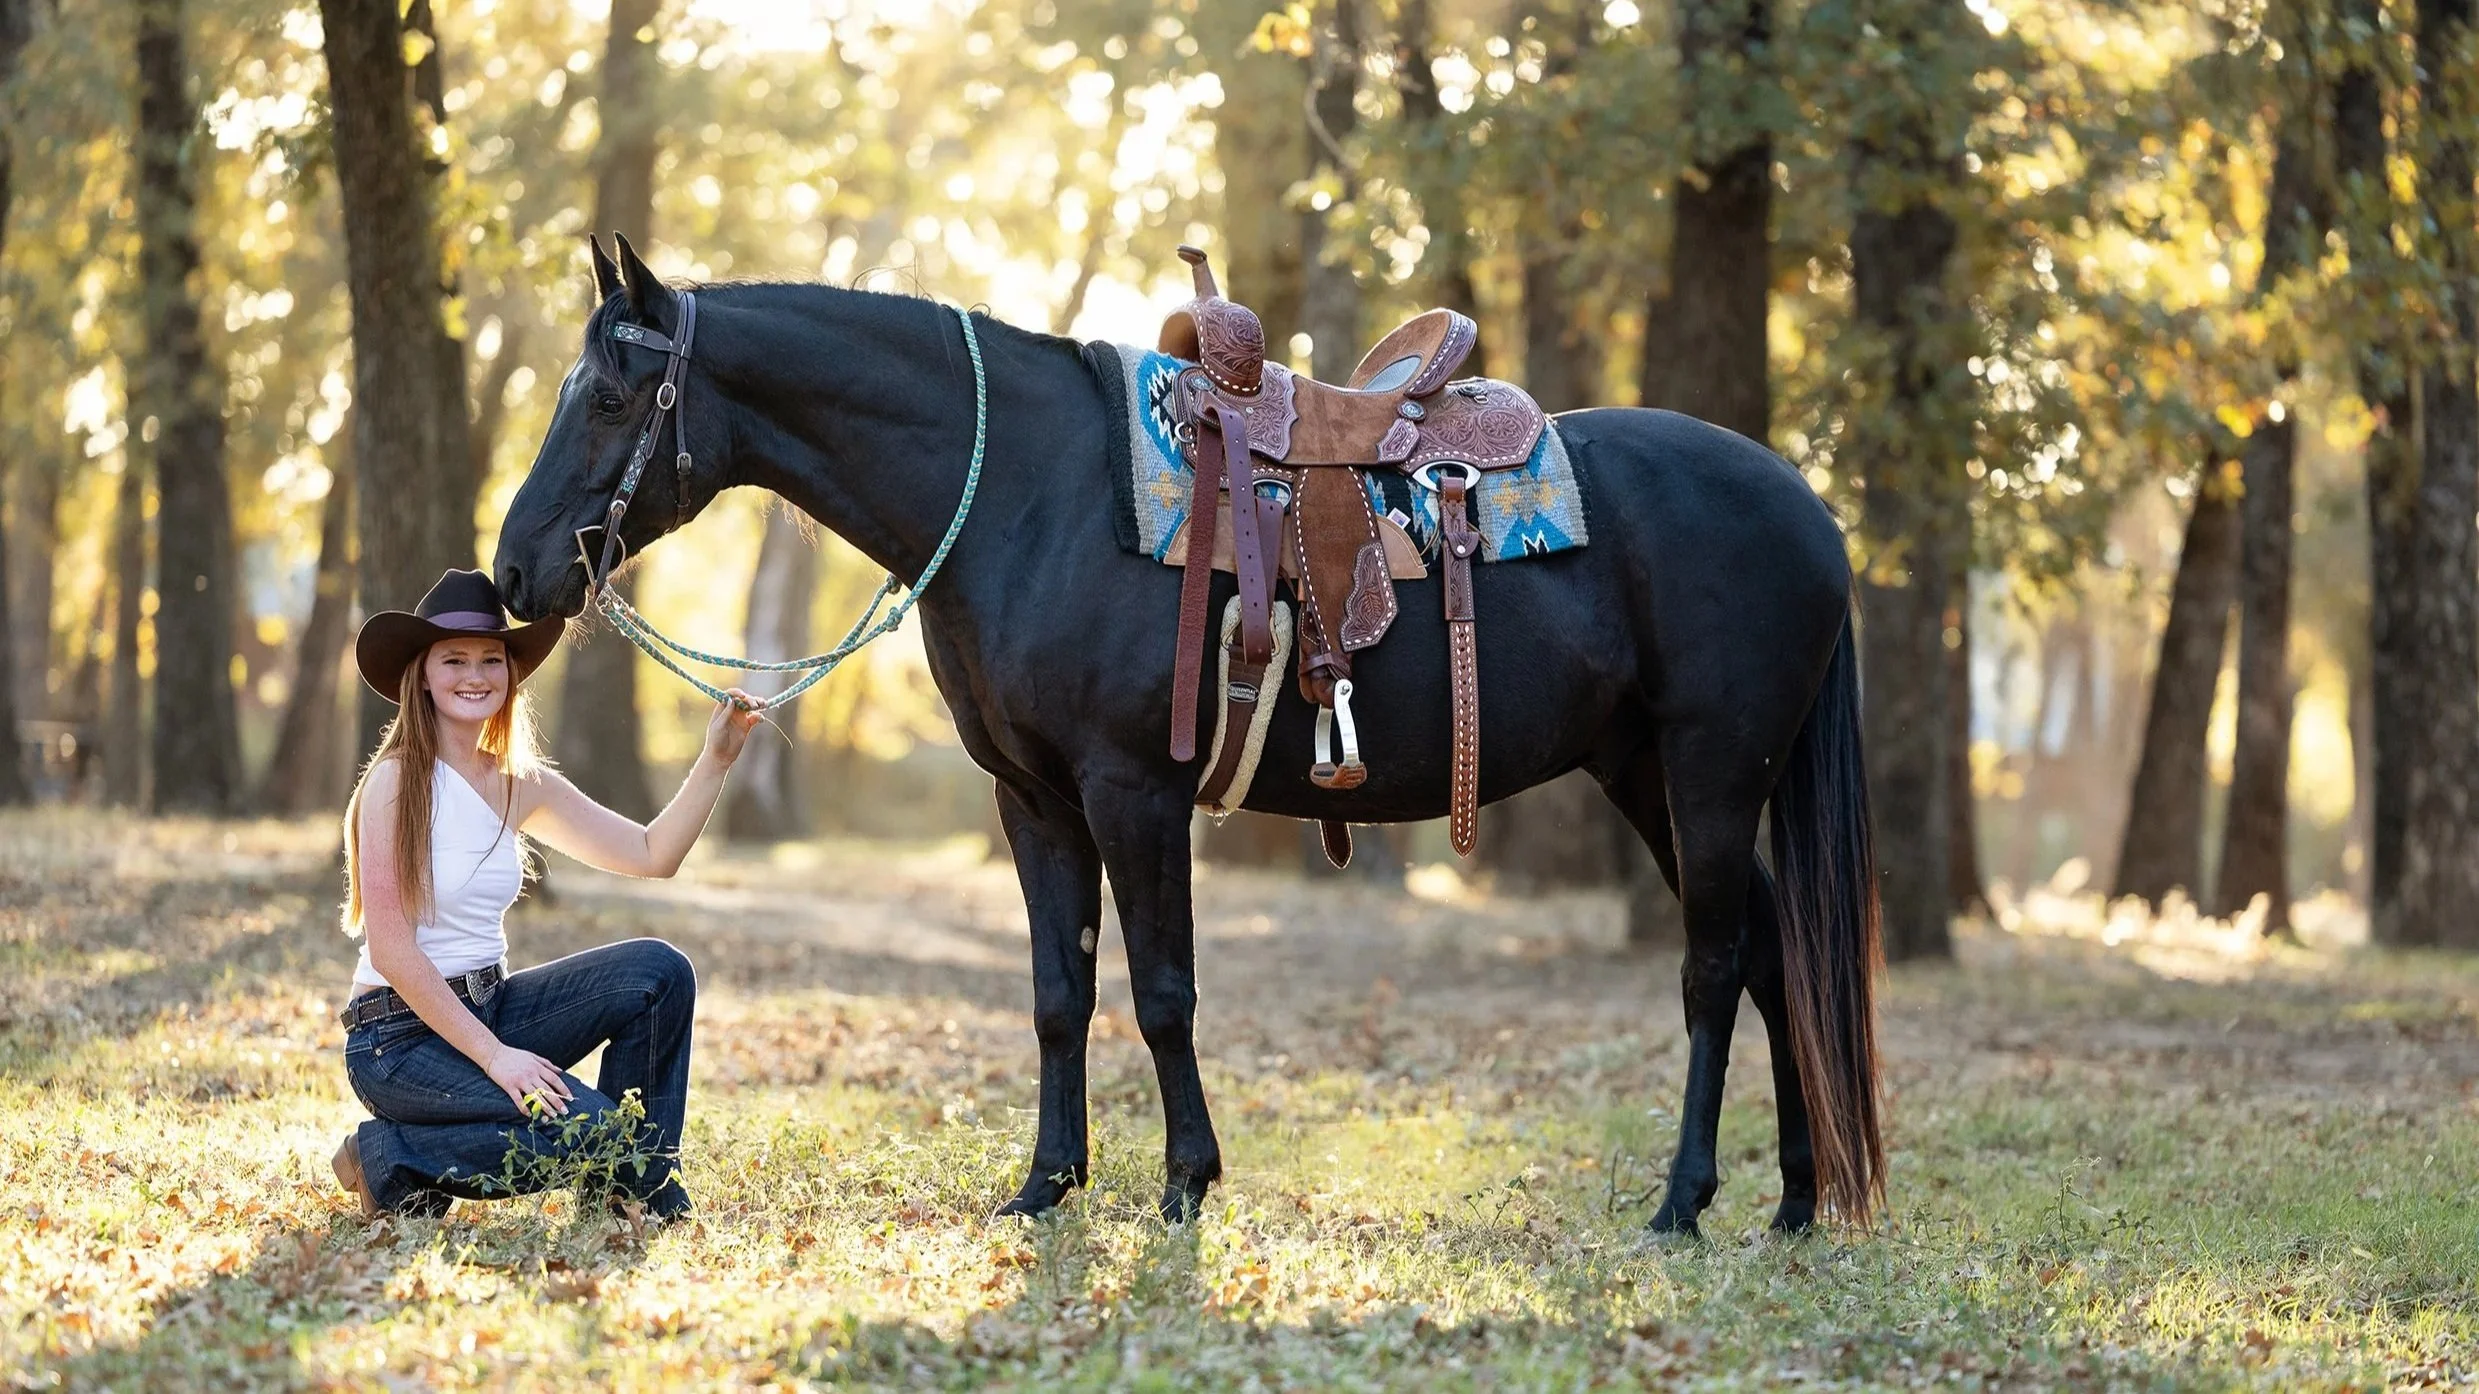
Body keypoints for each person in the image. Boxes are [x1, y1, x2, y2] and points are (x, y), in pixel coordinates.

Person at [330, 568, 761, 1221]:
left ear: (510, 674)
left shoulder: (518, 782)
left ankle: (616, 1192)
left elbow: (652, 854)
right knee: (604, 1136)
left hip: (491, 1005)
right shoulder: (395, 781)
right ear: (422, 673)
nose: (474, 675)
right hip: (399, 1041)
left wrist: (715, 760)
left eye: (489, 660)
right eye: (454, 660)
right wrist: (497, 1057)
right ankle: (392, 1155)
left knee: (659, 972)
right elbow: (390, 947)